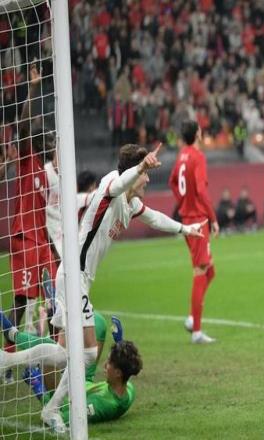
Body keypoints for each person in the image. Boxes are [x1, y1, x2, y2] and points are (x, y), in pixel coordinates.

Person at [1, 142, 205, 433]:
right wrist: (141, 167)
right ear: (134, 173)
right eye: (145, 175)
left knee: (63, 351)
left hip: (77, 277)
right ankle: (51, 409)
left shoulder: (131, 203)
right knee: (86, 354)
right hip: (74, 275)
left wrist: (185, 228)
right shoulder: (112, 184)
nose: (147, 180)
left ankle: (8, 359)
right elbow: (122, 182)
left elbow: (154, 218)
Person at [0, 310, 139, 425]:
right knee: (98, 321)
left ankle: (13, 335)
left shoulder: (101, 404)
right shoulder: (128, 389)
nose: (104, 365)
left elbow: (65, 416)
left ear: (118, 373)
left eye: (108, 363)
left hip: (69, 394)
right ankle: (13, 335)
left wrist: (39, 389)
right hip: (85, 381)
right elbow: (128, 367)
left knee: (52, 353)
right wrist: (120, 344)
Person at [8, 64, 57, 347]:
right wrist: (34, 88)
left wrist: (52, 245)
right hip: (24, 239)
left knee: (54, 299)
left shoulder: (46, 175)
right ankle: (8, 355)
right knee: (22, 302)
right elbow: (24, 125)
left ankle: (57, 352)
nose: (52, 143)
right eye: (48, 139)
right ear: (36, 143)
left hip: (41, 243)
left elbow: (45, 216)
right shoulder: (28, 161)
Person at [168, 120, 219, 344]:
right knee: (201, 271)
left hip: (187, 219)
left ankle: (192, 318)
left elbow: (172, 181)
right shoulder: (197, 157)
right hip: (198, 220)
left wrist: (182, 202)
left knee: (210, 271)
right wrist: (213, 218)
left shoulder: (182, 155)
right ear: (198, 134)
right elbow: (201, 190)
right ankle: (196, 331)